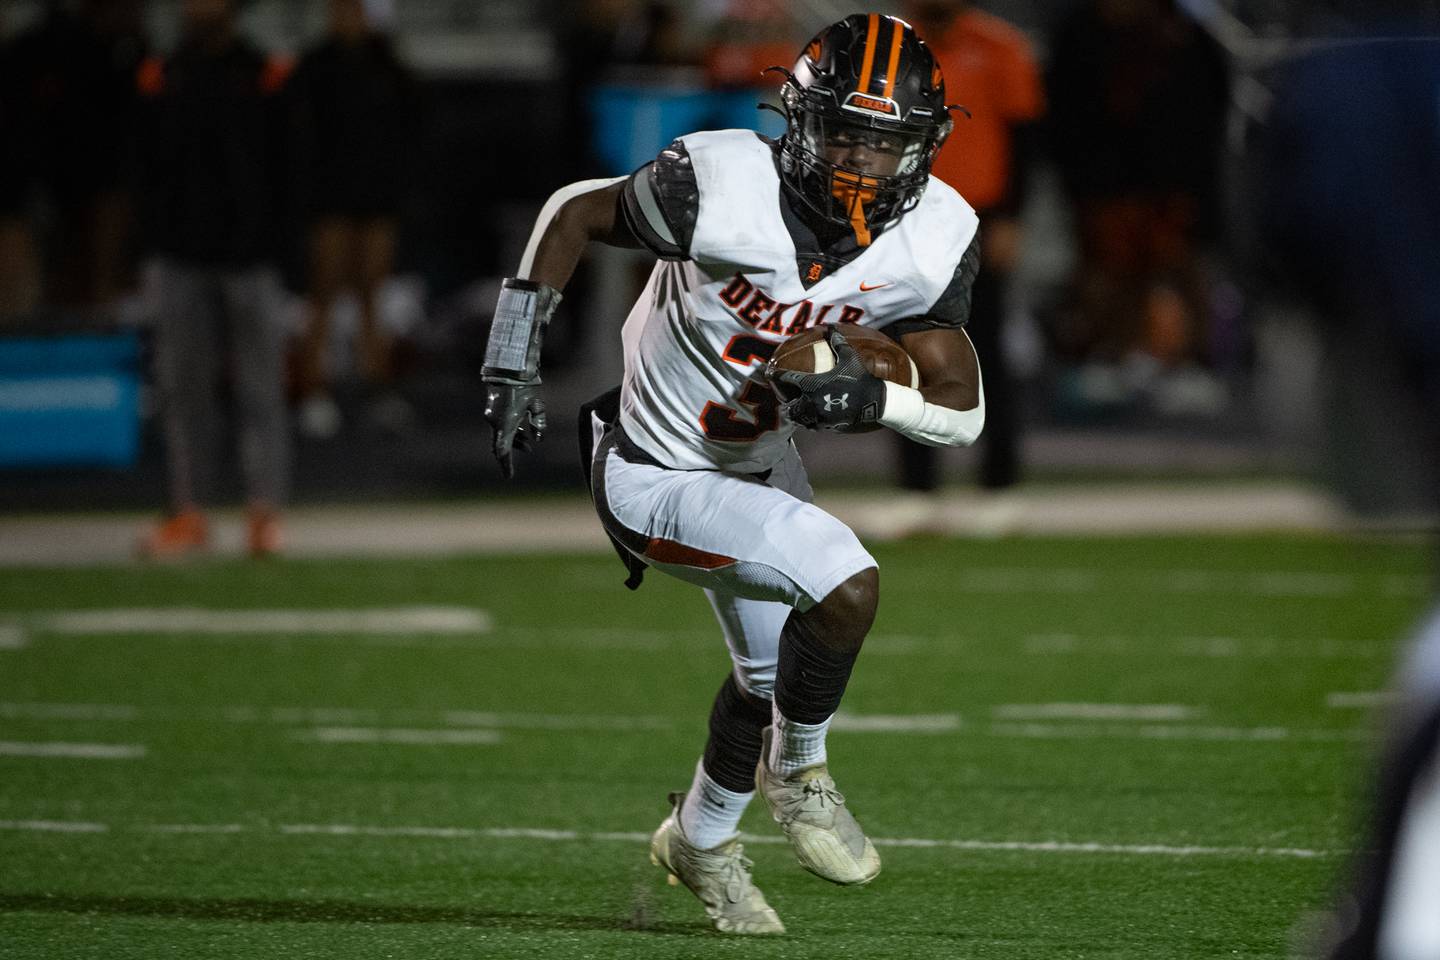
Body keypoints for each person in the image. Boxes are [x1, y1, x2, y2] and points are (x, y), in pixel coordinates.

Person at [482, 14, 984, 934]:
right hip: (653, 468)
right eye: (843, 135)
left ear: (924, 147)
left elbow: (961, 403)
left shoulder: (937, 232)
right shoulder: (721, 183)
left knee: (767, 678)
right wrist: (513, 353)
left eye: (883, 146)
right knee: (847, 583)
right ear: (797, 120)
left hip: (759, 468)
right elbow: (575, 210)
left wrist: (879, 403)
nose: (858, 165)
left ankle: (699, 841)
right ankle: (800, 773)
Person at [135, 0, 291, 558]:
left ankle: (264, 513)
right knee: (185, 391)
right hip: (181, 254)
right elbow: (145, 168)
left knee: (259, 389)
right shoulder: (161, 74)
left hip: (250, 256)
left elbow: (285, 167)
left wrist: (274, 243)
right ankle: (191, 510)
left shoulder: (263, 74)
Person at [901, 0, 1043, 493]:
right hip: (905, 222)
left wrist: (1011, 220)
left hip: (978, 221)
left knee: (985, 353)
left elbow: (1025, 139)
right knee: (906, 352)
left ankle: (999, 480)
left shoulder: (1000, 47)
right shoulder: (893, 46)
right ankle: (917, 486)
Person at [286, 0, 418, 439]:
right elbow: (300, 139)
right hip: (329, 202)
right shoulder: (314, 67)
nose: (348, 19)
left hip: (376, 200)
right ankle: (312, 392)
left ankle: (377, 389)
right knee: (322, 293)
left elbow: (407, 132)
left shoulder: (389, 67)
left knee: (371, 295)